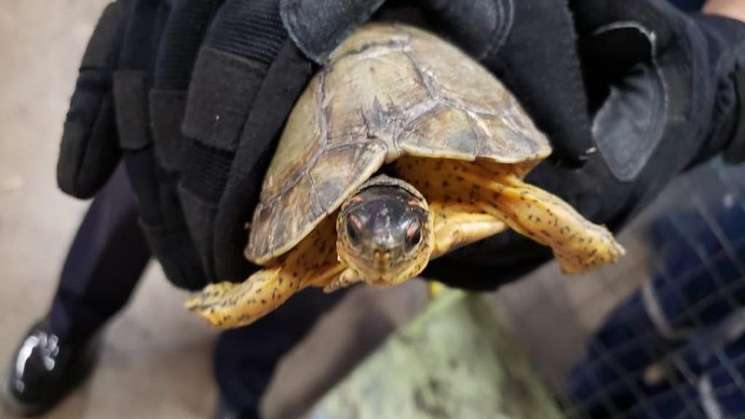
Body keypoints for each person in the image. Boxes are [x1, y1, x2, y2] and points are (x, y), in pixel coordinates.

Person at [4, 0, 745, 418]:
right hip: (271, 71)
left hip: (539, 42)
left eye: (399, 236)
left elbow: (527, 199)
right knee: (164, 157)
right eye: (364, 234)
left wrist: (725, 45)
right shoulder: (341, 228)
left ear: (422, 216)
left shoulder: (460, 197)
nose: (382, 246)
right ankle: (70, 319)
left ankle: (240, 386)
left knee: (307, 288)